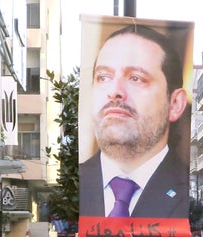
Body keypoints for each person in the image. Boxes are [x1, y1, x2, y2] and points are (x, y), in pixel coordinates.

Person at [79, 24, 190, 219]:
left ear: (175, 104)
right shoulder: (78, 185)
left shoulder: (186, 189)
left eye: (136, 78)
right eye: (103, 77)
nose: (114, 91)